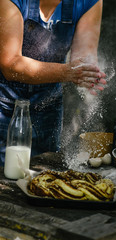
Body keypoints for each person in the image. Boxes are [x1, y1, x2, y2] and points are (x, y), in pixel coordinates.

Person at [0, 0, 106, 165]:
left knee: (42, 179)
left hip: (48, 107)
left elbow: (84, 58)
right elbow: (11, 64)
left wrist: (88, 72)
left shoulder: (89, 2)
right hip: (5, 104)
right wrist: (68, 72)